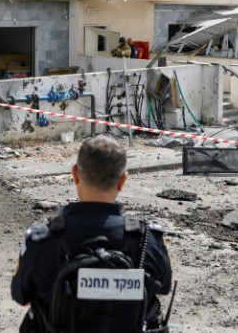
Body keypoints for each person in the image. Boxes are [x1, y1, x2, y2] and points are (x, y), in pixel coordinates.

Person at [11, 135, 173, 332]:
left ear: (75, 174)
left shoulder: (41, 240)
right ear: (122, 181)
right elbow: (163, 288)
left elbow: (21, 297)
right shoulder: (149, 241)